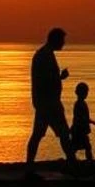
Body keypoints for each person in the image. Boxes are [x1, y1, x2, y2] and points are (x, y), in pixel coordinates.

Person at [25, 27, 76, 178]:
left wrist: (59, 78)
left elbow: (45, 79)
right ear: (55, 40)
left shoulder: (44, 55)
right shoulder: (44, 56)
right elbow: (44, 81)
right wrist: (58, 78)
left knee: (41, 135)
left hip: (46, 103)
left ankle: (29, 167)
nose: (64, 43)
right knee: (63, 134)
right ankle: (72, 165)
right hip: (49, 104)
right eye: (62, 40)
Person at [70, 82, 95, 162]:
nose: (87, 94)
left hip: (80, 130)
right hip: (79, 130)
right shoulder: (79, 104)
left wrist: (93, 122)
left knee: (81, 146)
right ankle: (89, 160)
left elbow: (84, 118)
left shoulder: (81, 103)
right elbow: (81, 118)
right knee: (85, 146)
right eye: (86, 92)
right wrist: (92, 122)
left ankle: (74, 159)